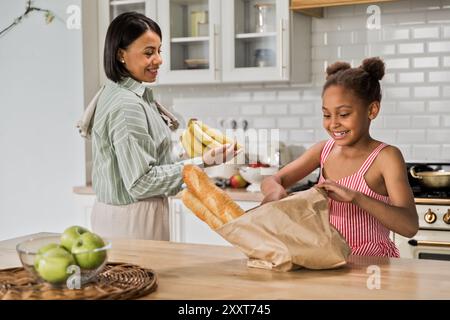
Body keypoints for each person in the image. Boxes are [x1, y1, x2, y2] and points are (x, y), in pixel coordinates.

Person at [90, 12, 238, 240]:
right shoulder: (127, 105)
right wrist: (201, 162)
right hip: (133, 221)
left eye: (159, 51)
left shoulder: (125, 94)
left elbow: (147, 163)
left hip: (129, 216)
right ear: (121, 54)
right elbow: (141, 182)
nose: (158, 60)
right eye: (149, 53)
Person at [261, 57, 418, 257]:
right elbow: (274, 179)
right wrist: (275, 192)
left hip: (372, 265)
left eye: (343, 114)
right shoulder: (323, 151)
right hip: (327, 260)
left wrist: (356, 197)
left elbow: (409, 225)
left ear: (372, 110)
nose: (333, 124)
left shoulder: (386, 157)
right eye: (327, 115)